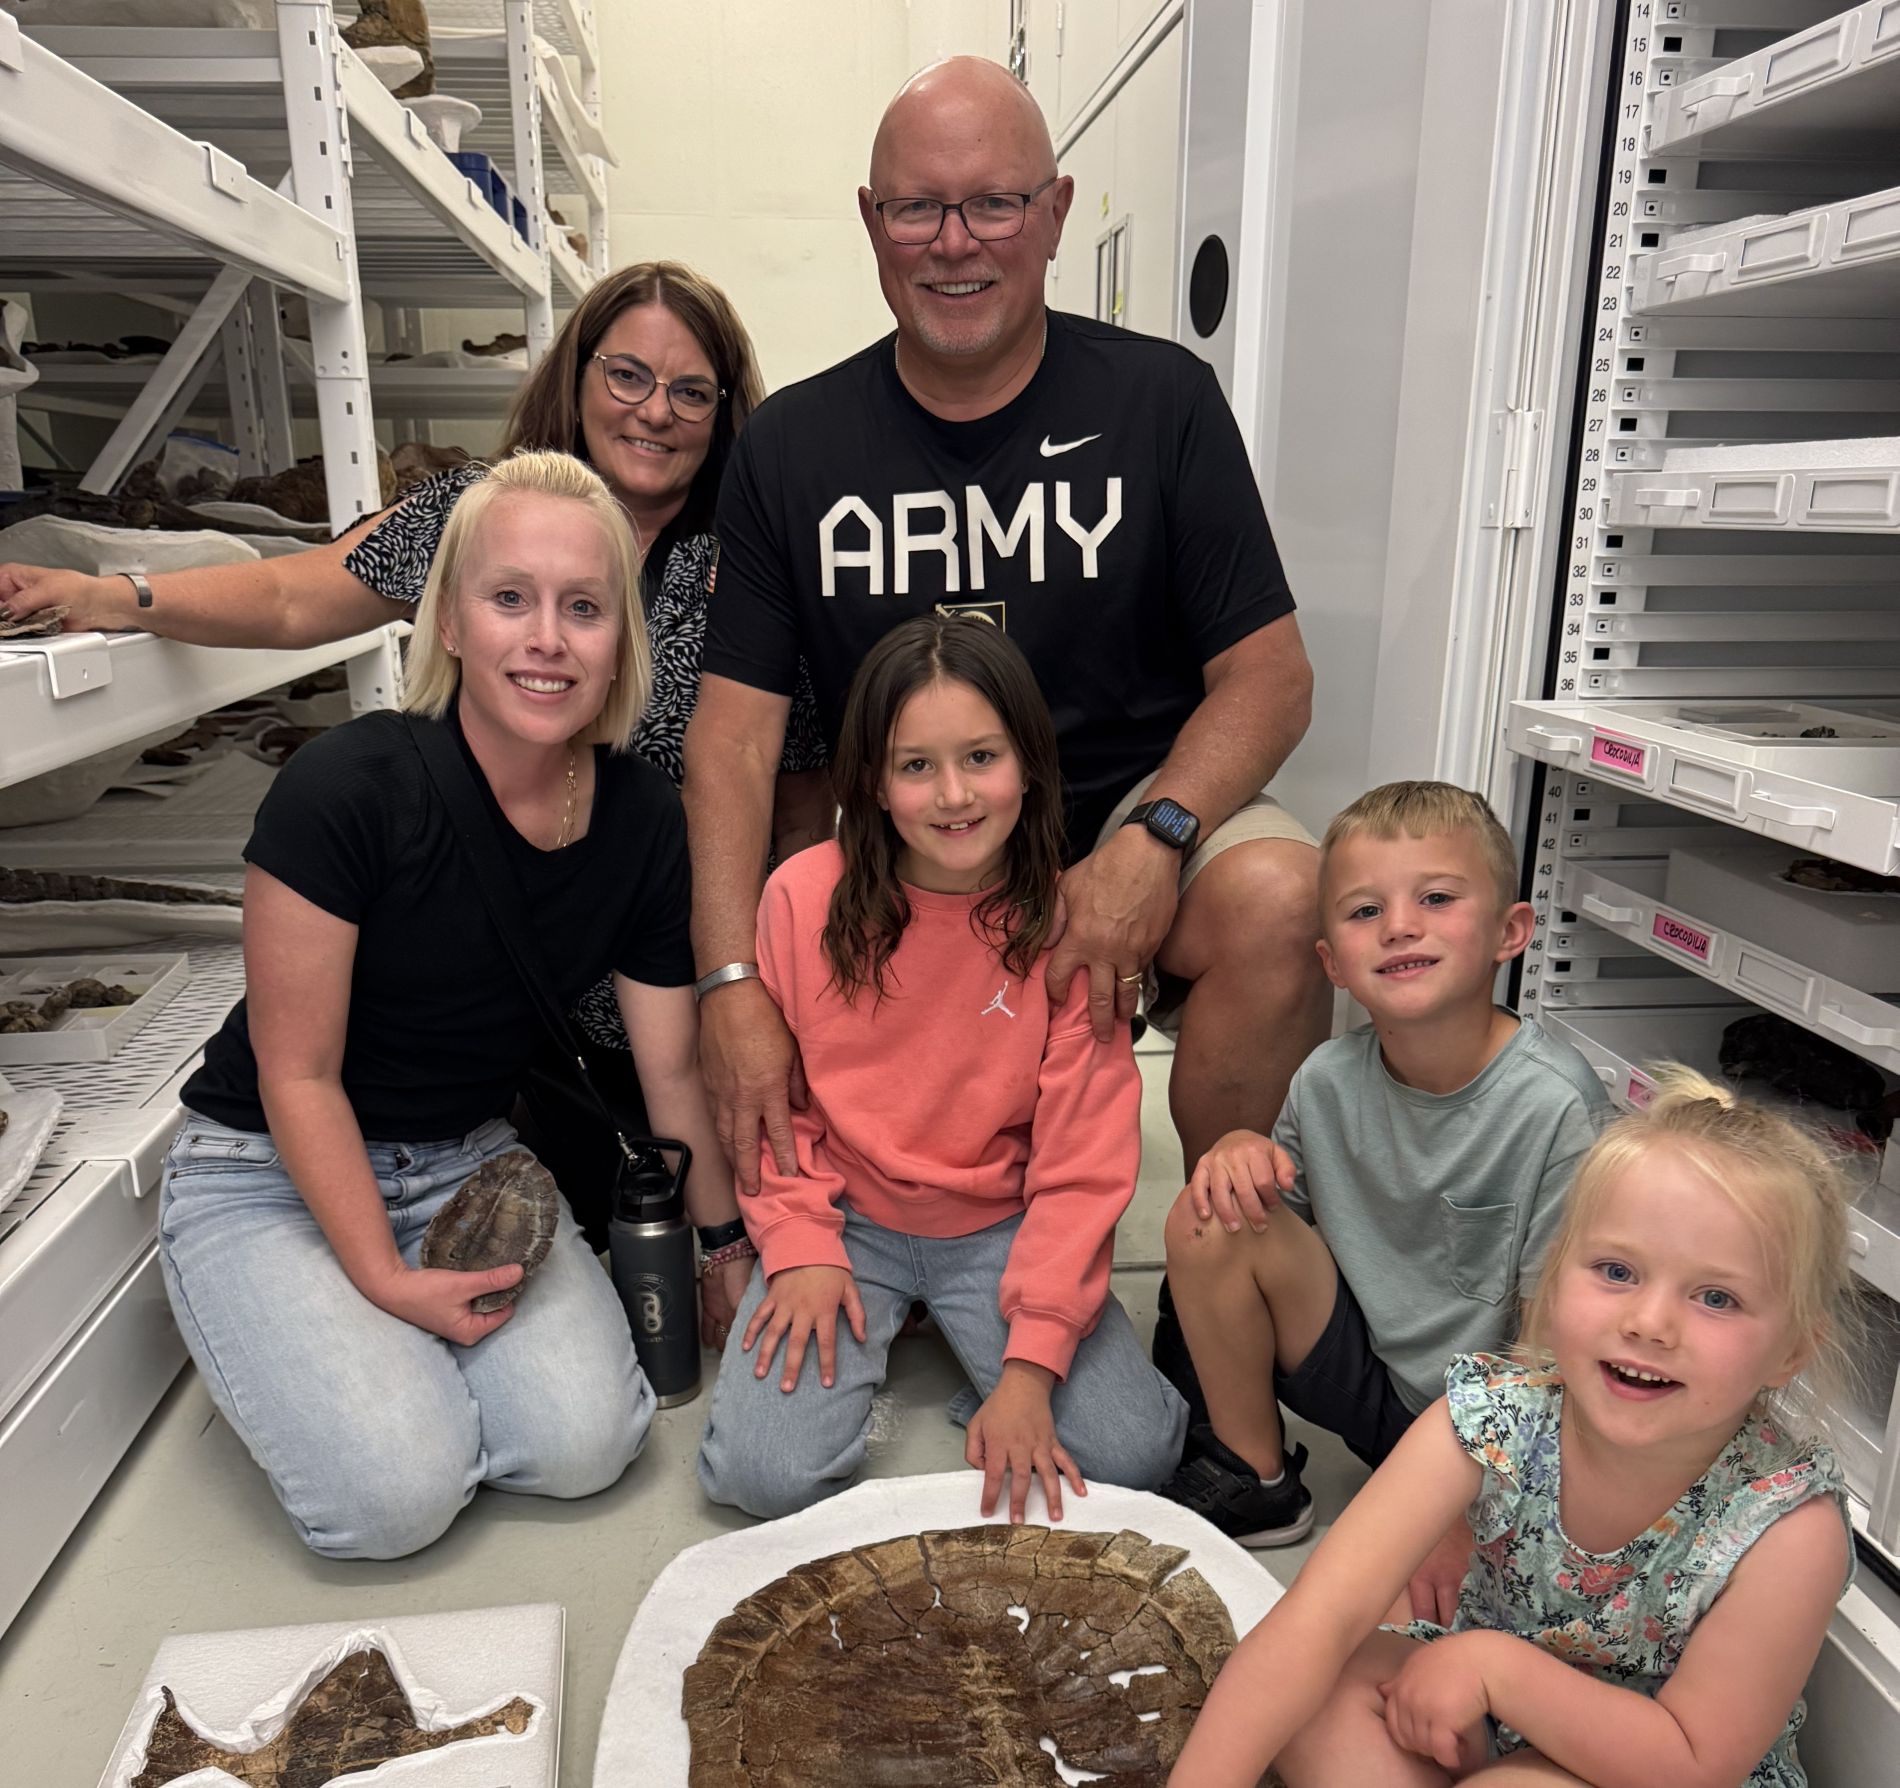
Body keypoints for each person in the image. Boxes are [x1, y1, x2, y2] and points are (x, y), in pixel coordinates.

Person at [684, 58, 1329, 1230]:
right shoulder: (788, 448)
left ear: (1055, 212)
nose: (953, 243)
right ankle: (907, 1233)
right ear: (870, 221)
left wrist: (1155, 835)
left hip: (1129, 808)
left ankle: (1221, 1266)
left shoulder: (1163, 402)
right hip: (915, 840)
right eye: (915, 208)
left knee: (1281, 899)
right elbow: (731, 742)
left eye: (993, 203)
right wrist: (729, 983)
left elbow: (1271, 677)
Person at [157, 451, 751, 1559]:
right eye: (509, 598)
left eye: (584, 608)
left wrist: (722, 1247)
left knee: (589, 1447)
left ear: (623, 639)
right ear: (450, 622)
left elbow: (669, 1069)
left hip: (464, 1156)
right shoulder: (345, 788)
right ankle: (275, 1314)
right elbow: (296, 1074)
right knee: (395, 1502)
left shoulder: (639, 819)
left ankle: (365, 1359)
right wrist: (383, 1281)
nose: (547, 638)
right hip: (268, 1167)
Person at [1171, 1066, 1858, 1788]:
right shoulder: (1493, 1417)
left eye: (1716, 1297)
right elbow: (1317, 1621)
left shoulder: (1787, 1526)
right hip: (1478, 1713)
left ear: (1792, 1351)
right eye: (1616, 1271)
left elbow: (1691, 1762)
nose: (1649, 1323)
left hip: (1649, 1766)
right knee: (1315, 1687)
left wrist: (1494, 1670)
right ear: (1553, 1281)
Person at [696, 614, 1188, 1524]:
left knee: (1135, 1454)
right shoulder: (799, 896)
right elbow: (777, 1108)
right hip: (848, 1218)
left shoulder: (1071, 924)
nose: (954, 795)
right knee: (759, 1475)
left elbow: (1083, 1164)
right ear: (872, 783)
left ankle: (977, 1355)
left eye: (981, 757)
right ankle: (907, 1334)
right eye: (916, 765)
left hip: (1003, 1223)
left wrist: (1030, 1367)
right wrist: (798, 1247)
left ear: (1029, 764)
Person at [1159, 784, 1609, 1604]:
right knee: (1212, 1212)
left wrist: (1457, 1496)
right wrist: (1237, 1152)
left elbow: (1559, 1344)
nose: (1400, 926)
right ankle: (1258, 1478)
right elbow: (1276, 1233)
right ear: (1331, 961)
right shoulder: (1326, 1079)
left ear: (1510, 933)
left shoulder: (1556, 1106)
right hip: (1371, 1384)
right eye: (1366, 911)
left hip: (1502, 1430)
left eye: (1436, 898)